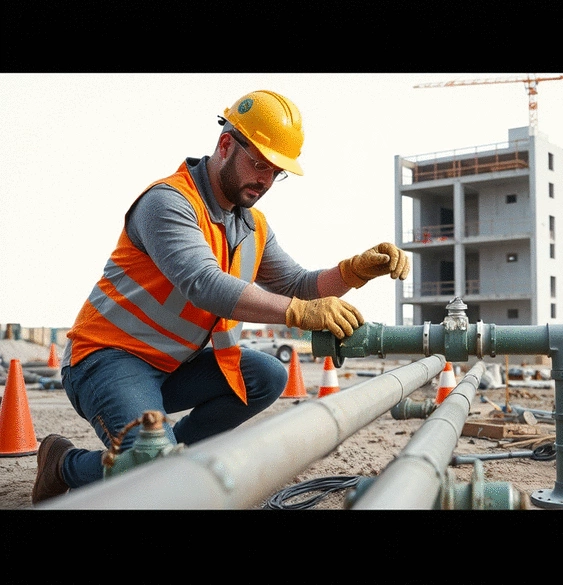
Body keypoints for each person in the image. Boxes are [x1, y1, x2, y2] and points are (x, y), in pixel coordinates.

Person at [32, 89, 410, 504]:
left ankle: (169, 460)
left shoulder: (252, 227)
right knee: (150, 472)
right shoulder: (168, 202)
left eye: (275, 171)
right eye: (259, 164)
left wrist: (353, 272)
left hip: (172, 367)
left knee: (266, 376)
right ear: (226, 144)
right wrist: (300, 313)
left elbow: (297, 285)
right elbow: (203, 282)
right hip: (108, 359)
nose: (265, 179)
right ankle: (64, 463)